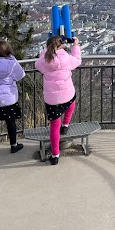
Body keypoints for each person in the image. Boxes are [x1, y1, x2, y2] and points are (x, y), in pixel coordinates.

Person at [35, 35, 81, 165]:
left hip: (52, 99)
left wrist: (45, 51)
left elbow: (37, 65)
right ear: (61, 46)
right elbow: (77, 60)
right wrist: (75, 45)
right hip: (67, 94)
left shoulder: (44, 60)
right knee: (72, 103)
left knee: (54, 126)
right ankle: (66, 124)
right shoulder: (66, 58)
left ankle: (55, 155)